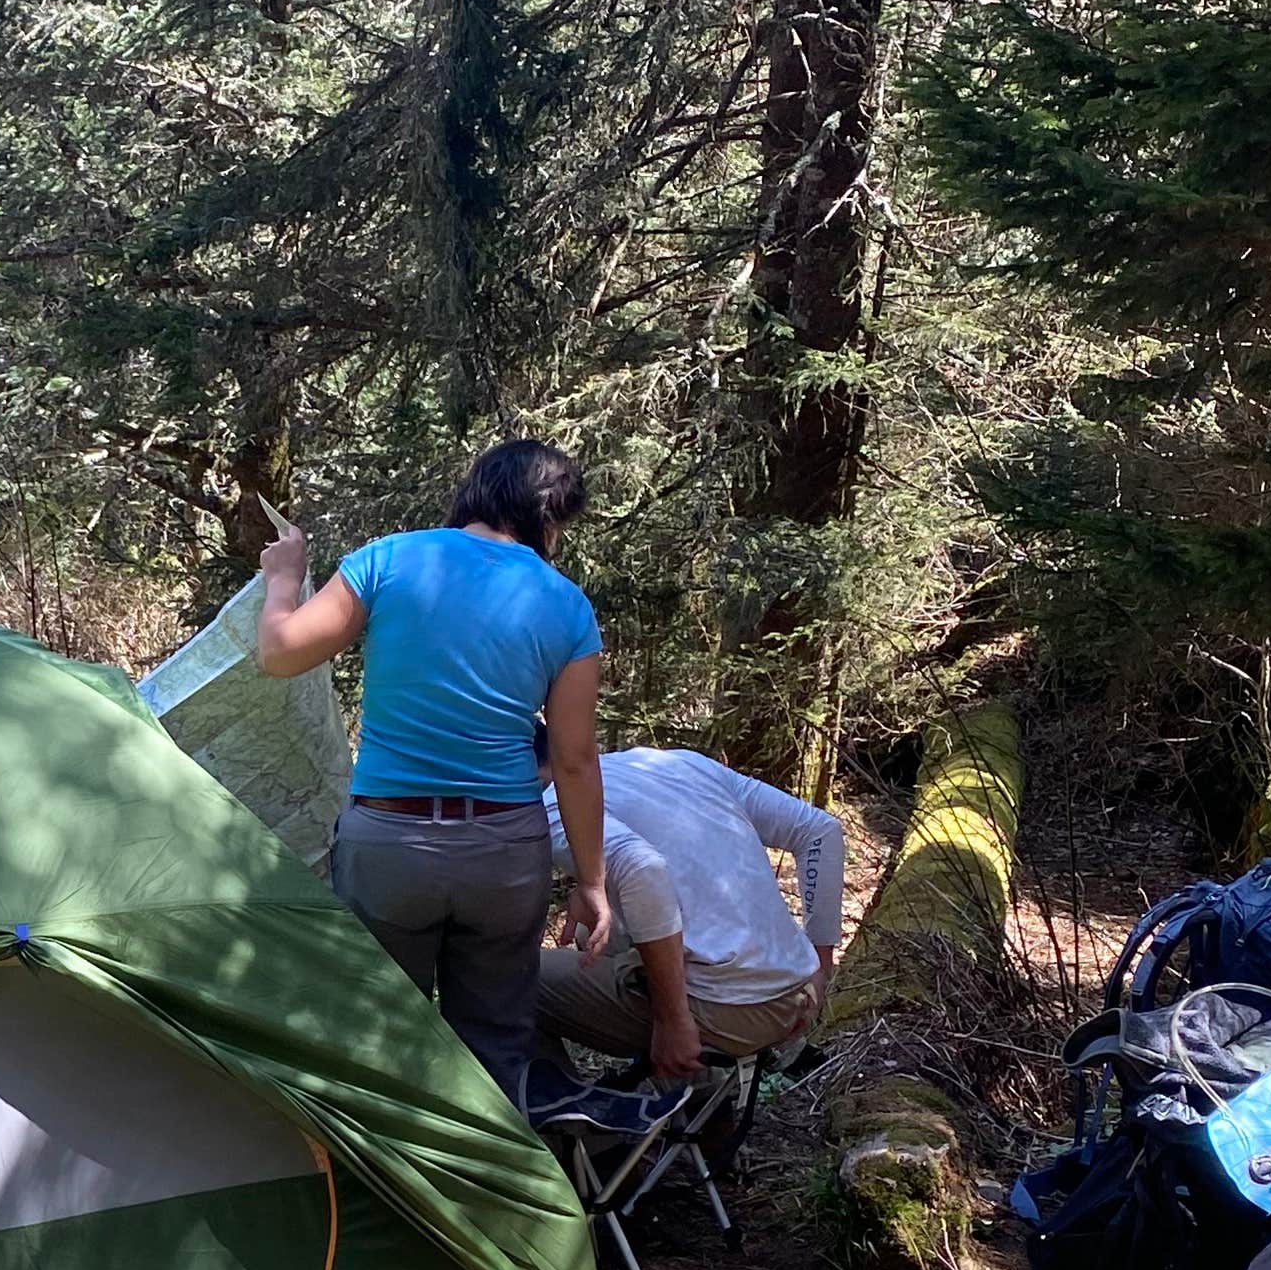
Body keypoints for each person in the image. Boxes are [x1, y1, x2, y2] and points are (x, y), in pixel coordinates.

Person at [254, 440, 610, 1094]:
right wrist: (592, 881)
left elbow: (279, 653)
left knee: (381, 1044)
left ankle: (388, 1192)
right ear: (544, 516)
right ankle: (488, 1191)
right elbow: (575, 760)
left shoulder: (388, 560)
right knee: (498, 1048)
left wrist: (284, 577)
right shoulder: (568, 607)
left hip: (389, 846)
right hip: (503, 855)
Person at [535, 747, 845, 1085]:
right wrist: (820, 967)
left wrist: (673, 1021)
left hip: (729, 1007)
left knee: (494, 979)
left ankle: (574, 1123)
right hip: (794, 992)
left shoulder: (556, 801)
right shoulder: (678, 763)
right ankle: (697, 1118)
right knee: (590, 934)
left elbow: (642, 870)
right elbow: (820, 831)